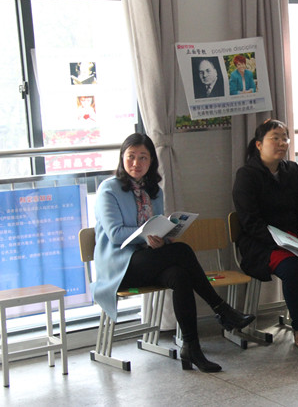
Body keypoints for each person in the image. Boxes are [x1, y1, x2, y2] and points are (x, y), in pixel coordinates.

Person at [91, 133, 254, 373]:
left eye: (143, 157)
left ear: (151, 161)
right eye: (131, 156)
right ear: (122, 158)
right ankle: (221, 309)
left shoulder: (154, 191)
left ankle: (192, 347)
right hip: (120, 266)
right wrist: (147, 236)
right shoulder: (109, 189)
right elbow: (115, 234)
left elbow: (156, 225)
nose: (136, 163)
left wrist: (165, 236)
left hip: (149, 260)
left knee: (180, 275)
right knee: (183, 251)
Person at [232, 119, 298, 349]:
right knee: (294, 268)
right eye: (275, 138)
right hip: (262, 242)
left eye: (285, 138)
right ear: (259, 144)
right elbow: (250, 222)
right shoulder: (246, 175)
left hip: (295, 237)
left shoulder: (291, 169)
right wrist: (280, 241)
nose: (282, 143)